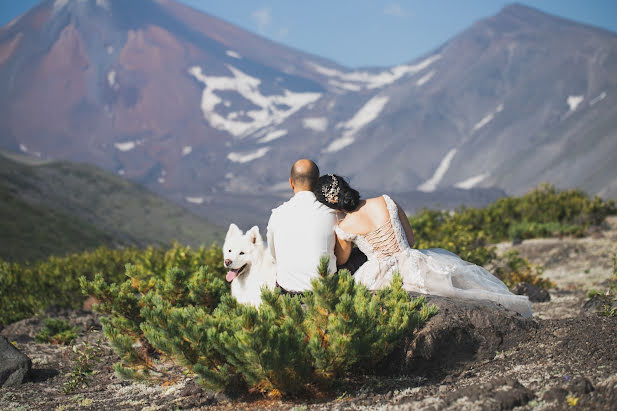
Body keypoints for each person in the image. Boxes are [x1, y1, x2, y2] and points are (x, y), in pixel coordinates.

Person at [312, 174, 533, 318]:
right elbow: (411, 239)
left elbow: (341, 259)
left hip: (377, 274)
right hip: (412, 260)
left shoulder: (344, 226)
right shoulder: (385, 201)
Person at [266, 159, 337, 294]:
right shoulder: (332, 212)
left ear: (291, 183)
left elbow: (274, 255)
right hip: (323, 293)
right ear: (318, 183)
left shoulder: (276, 215)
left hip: (287, 294)